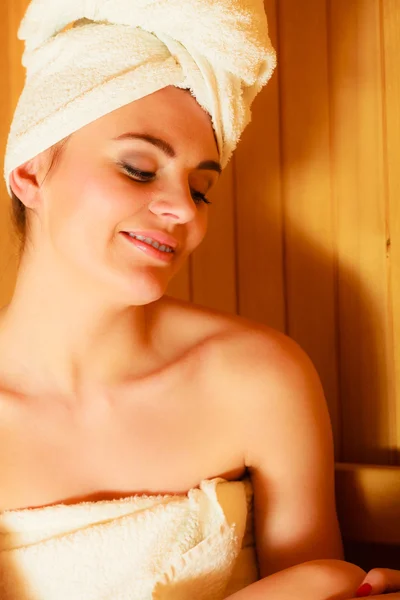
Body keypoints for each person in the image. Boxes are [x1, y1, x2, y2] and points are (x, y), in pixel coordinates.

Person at [1, 1, 399, 599]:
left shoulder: (260, 379)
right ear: (31, 171)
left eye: (201, 187)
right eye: (139, 169)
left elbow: (322, 586)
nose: (183, 209)